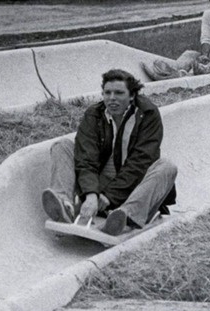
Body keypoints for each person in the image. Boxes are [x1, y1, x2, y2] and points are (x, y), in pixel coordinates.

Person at [42, 69, 177, 236]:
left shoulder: (147, 115)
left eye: (119, 93)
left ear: (132, 95)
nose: (112, 98)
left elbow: (141, 161)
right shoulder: (94, 115)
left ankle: (124, 216)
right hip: (98, 186)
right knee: (62, 146)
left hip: (132, 189)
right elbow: (86, 158)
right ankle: (65, 206)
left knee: (167, 167)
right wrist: (91, 194)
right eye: (107, 93)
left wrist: (109, 197)